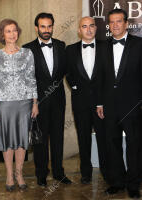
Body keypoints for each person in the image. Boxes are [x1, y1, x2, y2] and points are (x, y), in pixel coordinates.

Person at [96, 9, 142, 198]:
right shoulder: (103, 46)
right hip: (109, 105)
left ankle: (133, 184)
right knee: (112, 144)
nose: (115, 25)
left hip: (133, 104)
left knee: (134, 145)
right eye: (111, 22)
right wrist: (99, 103)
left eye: (118, 21)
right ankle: (117, 181)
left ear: (126, 23)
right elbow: (100, 77)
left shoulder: (139, 44)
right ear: (108, 25)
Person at [23, 12, 72, 186]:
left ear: (52, 26)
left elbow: (66, 71)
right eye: (42, 26)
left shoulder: (61, 45)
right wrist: (31, 103)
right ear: (36, 28)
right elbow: (26, 79)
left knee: (58, 138)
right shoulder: (27, 49)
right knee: (39, 141)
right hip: (37, 103)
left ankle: (59, 172)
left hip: (58, 101)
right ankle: (41, 174)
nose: (46, 30)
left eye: (49, 26)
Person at [0, 19, 39, 191]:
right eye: (8, 31)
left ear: (18, 32)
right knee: (7, 140)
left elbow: (32, 79)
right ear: (2, 35)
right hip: (4, 104)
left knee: (21, 140)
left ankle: (19, 173)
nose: (12, 34)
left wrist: (35, 103)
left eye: (14, 30)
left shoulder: (27, 53)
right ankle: (9, 174)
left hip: (24, 102)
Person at [66, 17, 107, 184]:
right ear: (79, 30)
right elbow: (68, 73)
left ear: (96, 29)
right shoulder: (70, 50)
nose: (88, 29)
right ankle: (86, 173)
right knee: (83, 139)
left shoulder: (106, 47)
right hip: (80, 103)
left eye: (91, 26)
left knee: (104, 138)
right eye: (84, 26)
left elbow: (109, 76)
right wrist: (75, 86)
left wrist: (101, 101)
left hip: (102, 104)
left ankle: (107, 172)